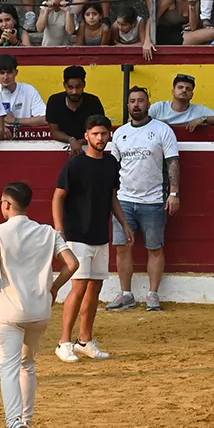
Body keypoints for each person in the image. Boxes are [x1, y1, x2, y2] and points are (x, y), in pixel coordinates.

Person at [0, 182, 76, 428]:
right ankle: (27, 423)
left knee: (8, 369)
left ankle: (13, 425)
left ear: (7, 204)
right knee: (27, 364)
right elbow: (72, 264)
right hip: (40, 311)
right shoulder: (48, 232)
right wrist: (54, 288)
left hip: (11, 312)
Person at [52, 114, 125, 362]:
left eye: (104, 133)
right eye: (95, 133)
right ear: (86, 136)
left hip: (99, 234)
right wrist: (60, 229)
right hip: (77, 235)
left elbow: (112, 197)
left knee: (95, 287)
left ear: (109, 135)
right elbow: (58, 196)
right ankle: (64, 341)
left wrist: (123, 224)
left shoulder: (111, 163)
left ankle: (84, 340)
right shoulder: (75, 164)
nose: (100, 138)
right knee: (79, 287)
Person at [107, 87, 179, 313]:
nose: (136, 105)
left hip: (154, 199)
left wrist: (174, 193)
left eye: (140, 101)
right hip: (124, 199)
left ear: (149, 104)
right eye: (132, 101)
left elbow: (173, 163)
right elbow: (113, 167)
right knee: (121, 247)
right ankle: (126, 294)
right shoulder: (119, 133)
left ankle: (152, 294)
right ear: (127, 106)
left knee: (154, 248)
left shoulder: (162, 130)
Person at [46, 63, 104, 152]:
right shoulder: (54, 101)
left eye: (78, 87)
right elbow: (54, 132)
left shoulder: (94, 102)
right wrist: (71, 140)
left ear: (84, 85)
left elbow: (100, 131)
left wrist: (79, 142)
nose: (74, 92)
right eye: (70, 87)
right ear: (64, 85)